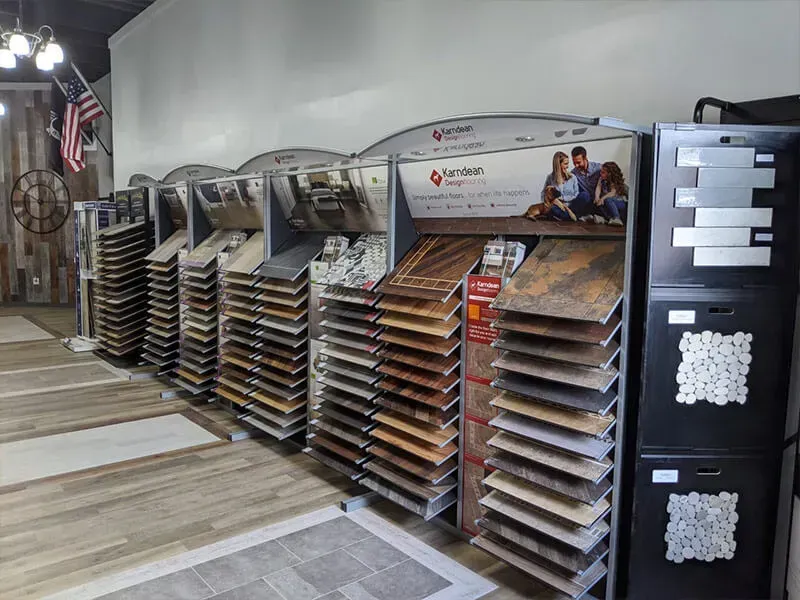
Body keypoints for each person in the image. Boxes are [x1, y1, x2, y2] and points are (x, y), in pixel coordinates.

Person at [541, 151, 591, 218]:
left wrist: (563, 198)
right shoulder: (550, 178)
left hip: (573, 205)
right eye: (565, 164)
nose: (567, 166)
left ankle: (568, 216)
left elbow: (576, 194)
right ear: (558, 165)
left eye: (568, 163)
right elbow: (544, 193)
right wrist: (547, 203)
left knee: (585, 195)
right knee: (553, 209)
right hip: (559, 206)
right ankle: (574, 217)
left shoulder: (572, 177)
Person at [594, 161, 628, 226]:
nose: (600, 174)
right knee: (599, 204)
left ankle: (617, 218)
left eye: (603, 172)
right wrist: (597, 197)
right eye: (601, 172)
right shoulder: (601, 179)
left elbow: (612, 193)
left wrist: (602, 198)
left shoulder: (614, 181)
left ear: (609, 174)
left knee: (607, 200)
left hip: (619, 203)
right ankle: (608, 219)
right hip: (608, 204)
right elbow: (598, 187)